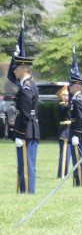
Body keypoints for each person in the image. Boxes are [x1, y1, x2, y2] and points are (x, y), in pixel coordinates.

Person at [13, 56, 39, 194]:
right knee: (24, 163)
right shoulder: (26, 85)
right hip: (28, 129)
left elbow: (26, 113)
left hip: (27, 130)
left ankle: (28, 192)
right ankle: (25, 191)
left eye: (16, 69)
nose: (14, 72)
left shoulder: (27, 87)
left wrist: (20, 134)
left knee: (27, 164)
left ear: (24, 69)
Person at [69, 75, 82, 187]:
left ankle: (81, 184)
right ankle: (78, 183)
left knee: (79, 160)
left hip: (78, 133)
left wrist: (77, 134)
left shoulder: (79, 99)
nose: (69, 87)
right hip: (77, 131)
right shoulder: (77, 98)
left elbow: (81, 118)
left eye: (71, 85)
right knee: (77, 159)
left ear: (77, 86)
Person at [56, 86, 72, 178]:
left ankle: (65, 173)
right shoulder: (62, 104)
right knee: (64, 154)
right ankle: (62, 174)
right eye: (66, 95)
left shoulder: (66, 104)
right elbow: (66, 108)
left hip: (69, 130)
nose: (68, 96)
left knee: (68, 155)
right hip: (65, 131)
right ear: (62, 96)